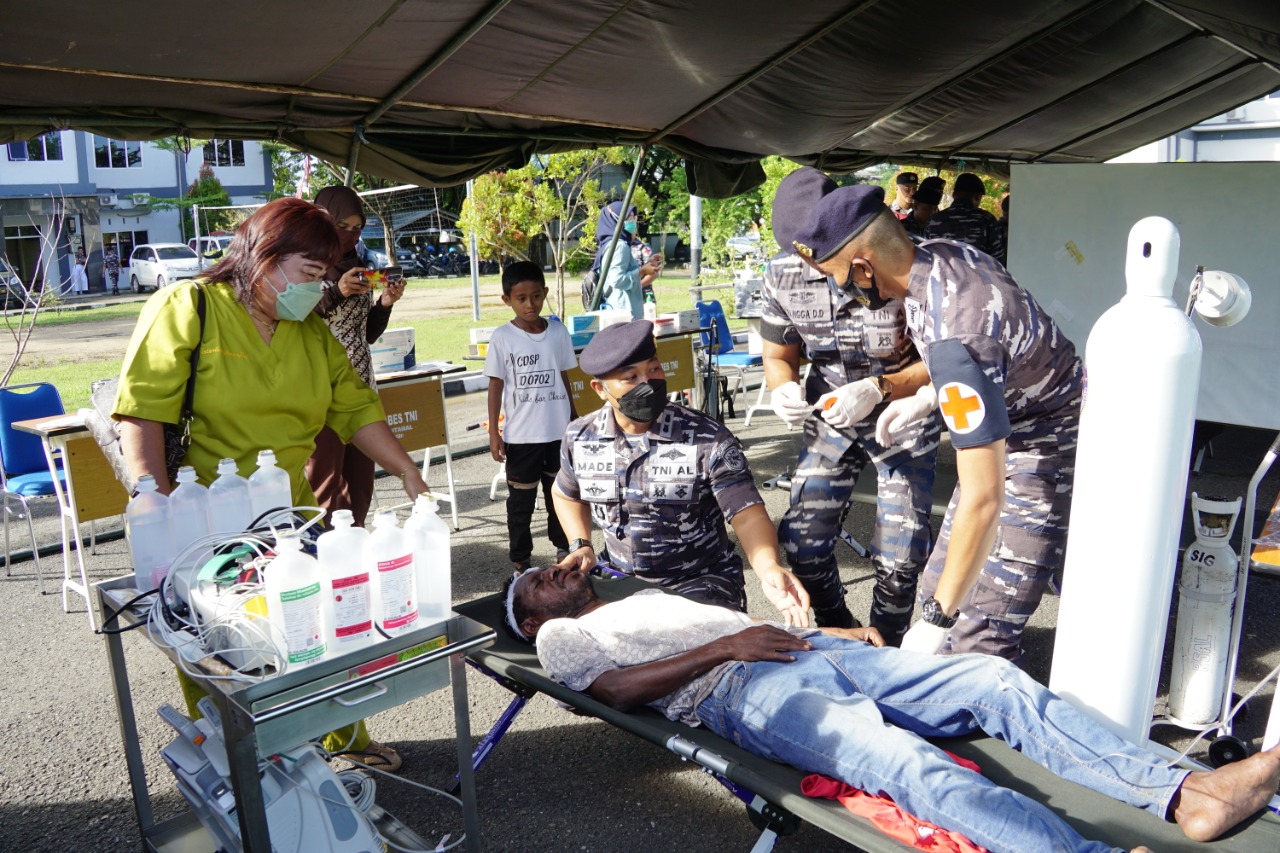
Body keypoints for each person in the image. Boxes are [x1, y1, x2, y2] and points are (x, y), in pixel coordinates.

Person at [506, 568, 1280, 853]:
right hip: (747, 691)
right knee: (905, 765)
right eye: (541, 581)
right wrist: (728, 647)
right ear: (533, 619)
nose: (558, 573)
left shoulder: (630, 595)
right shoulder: (564, 637)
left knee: (992, 680)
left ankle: (1185, 791)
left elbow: (745, 631)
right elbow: (612, 691)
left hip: (804, 651)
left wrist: (821, 632)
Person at [113, 197, 425, 771]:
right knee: (222, 652)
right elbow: (143, 409)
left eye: (323, 276)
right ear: (266, 257)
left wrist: (408, 472)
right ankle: (240, 766)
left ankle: (341, 738)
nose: (317, 287)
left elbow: (356, 408)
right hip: (199, 518)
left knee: (318, 632)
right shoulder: (190, 306)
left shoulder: (309, 331)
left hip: (289, 511)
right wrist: (149, 499)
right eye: (310, 274)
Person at [787, 184, 1082, 664]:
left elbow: (985, 498)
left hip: (1043, 442)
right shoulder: (940, 257)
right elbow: (983, 348)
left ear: (863, 267)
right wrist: (927, 394)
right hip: (1005, 413)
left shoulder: (958, 329)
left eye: (839, 277)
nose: (843, 290)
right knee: (937, 585)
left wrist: (940, 619)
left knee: (977, 633)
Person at [762, 168, 940, 639]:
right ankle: (843, 632)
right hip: (831, 417)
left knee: (901, 556)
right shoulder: (780, 274)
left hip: (903, 415)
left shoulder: (900, 258)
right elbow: (779, 353)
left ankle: (888, 642)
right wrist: (782, 386)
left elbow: (943, 363)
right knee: (802, 543)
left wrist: (881, 388)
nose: (813, 267)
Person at [552, 319, 811, 625]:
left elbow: (747, 512)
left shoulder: (706, 437)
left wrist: (768, 568)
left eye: (654, 369)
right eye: (630, 377)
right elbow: (566, 493)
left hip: (698, 584)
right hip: (618, 583)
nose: (647, 382)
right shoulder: (580, 437)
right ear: (600, 389)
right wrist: (581, 544)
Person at [305, 185, 405, 527]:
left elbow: (366, 335)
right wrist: (337, 291)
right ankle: (319, 560)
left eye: (357, 227)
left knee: (360, 487)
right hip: (321, 396)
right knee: (323, 487)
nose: (349, 235)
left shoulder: (360, 265)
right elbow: (296, 324)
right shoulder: (303, 267)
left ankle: (353, 560)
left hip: (361, 391)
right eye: (341, 225)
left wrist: (385, 303)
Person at [485, 261, 578, 570]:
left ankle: (564, 550)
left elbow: (563, 377)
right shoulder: (502, 337)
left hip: (558, 433)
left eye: (536, 296)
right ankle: (521, 561)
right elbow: (495, 385)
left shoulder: (558, 331)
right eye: (521, 298)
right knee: (521, 505)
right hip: (522, 437)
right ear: (507, 300)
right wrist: (494, 433)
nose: (530, 304)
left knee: (560, 498)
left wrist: (574, 420)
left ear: (545, 293)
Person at [591, 202, 661, 318]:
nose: (633, 221)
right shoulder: (620, 246)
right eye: (629, 218)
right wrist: (642, 271)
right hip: (624, 310)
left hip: (616, 308)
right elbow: (617, 279)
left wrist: (647, 265)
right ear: (616, 221)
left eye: (634, 218)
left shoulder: (609, 244)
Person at [924, 172, 1006, 264]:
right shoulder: (986, 220)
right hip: (976, 277)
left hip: (941, 277)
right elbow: (997, 262)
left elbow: (926, 258)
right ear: (977, 197)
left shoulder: (934, 220)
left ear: (954, 194)